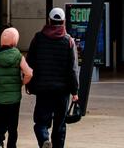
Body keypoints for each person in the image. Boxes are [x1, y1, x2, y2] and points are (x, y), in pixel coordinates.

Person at [26, 8, 79, 148]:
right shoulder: (69, 41)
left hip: (43, 90)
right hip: (62, 92)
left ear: (49, 21)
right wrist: (75, 91)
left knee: (41, 123)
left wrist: (29, 85)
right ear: (63, 22)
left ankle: (44, 139)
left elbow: (29, 63)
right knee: (60, 125)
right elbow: (73, 70)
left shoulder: (38, 38)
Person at [0, 26, 33, 148]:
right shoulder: (18, 56)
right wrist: (22, 83)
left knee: (1, 125)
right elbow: (29, 73)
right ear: (15, 40)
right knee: (13, 128)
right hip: (14, 101)